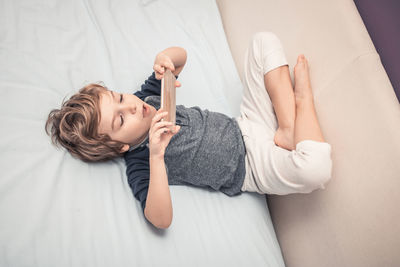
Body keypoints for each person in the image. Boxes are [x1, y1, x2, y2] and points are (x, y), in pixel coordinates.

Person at [45, 32, 332, 229]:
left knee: (263, 41)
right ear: (120, 146)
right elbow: (160, 219)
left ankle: (287, 127)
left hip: (245, 122)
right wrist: (157, 156)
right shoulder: (139, 163)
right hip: (251, 167)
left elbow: (180, 57)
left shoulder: (147, 97)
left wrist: (164, 58)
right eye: (120, 121)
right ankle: (302, 102)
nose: (130, 108)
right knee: (315, 170)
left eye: (120, 98)